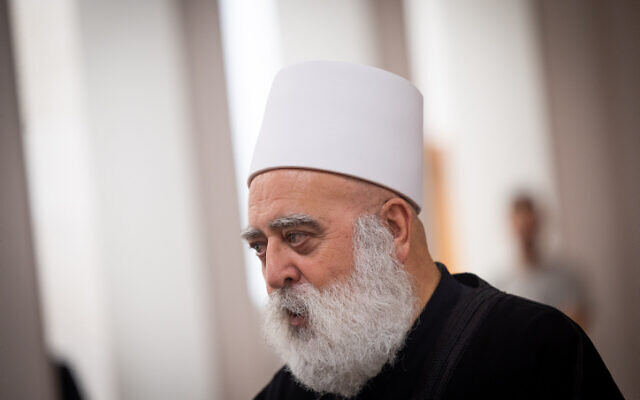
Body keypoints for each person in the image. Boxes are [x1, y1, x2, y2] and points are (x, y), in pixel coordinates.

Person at [243, 61, 622, 399]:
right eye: (260, 246)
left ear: (393, 229)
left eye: (296, 237)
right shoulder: (286, 393)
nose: (273, 274)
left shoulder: (533, 351)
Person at [499, 194, 589, 328]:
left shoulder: (566, 276)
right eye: (521, 227)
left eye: (529, 226)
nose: (526, 233)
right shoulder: (500, 283)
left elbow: (578, 321)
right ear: (512, 226)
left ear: (538, 223)